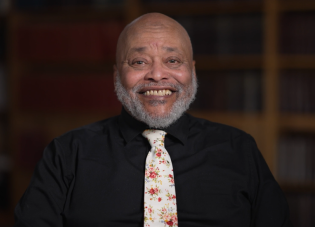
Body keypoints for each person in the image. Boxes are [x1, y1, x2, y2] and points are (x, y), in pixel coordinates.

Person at [14, 13, 292, 227]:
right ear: (116, 76)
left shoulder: (239, 149)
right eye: (139, 62)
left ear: (192, 72)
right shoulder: (66, 154)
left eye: (173, 61)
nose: (157, 75)